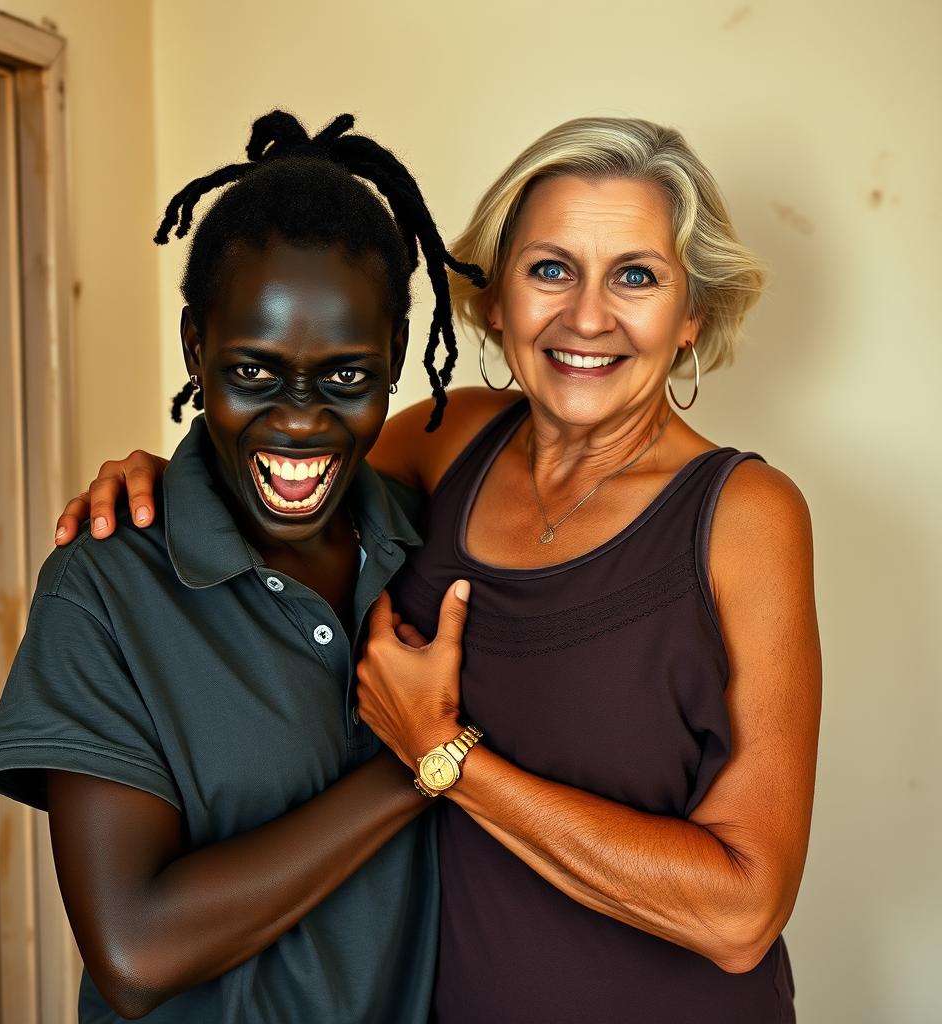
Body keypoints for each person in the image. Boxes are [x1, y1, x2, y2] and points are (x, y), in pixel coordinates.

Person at [57, 117, 821, 1023]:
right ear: (495, 298)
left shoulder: (743, 517)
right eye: (551, 268)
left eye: (636, 276)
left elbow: (742, 914)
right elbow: (288, 454)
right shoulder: (447, 439)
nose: (586, 316)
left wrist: (443, 757)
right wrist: (156, 480)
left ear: (692, 314)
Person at [0, 110, 485, 1023]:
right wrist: (418, 763)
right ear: (194, 350)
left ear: (395, 363)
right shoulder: (103, 587)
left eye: (346, 378)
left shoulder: (431, 543)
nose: (298, 421)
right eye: (253, 373)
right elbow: (136, 950)